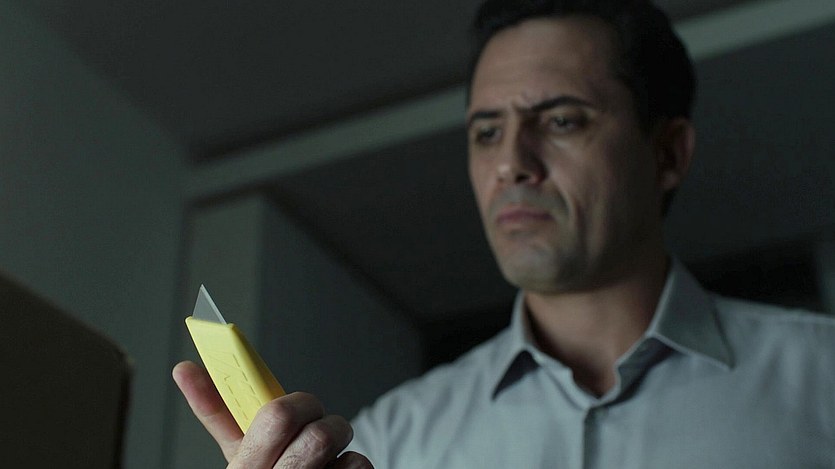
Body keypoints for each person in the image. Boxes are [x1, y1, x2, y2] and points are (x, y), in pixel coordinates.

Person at [173, 0, 835, 467]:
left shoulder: (823, 376)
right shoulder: (388, 441)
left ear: (667, 154)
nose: (511, 162)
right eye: (487, 131)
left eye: (563, 120)